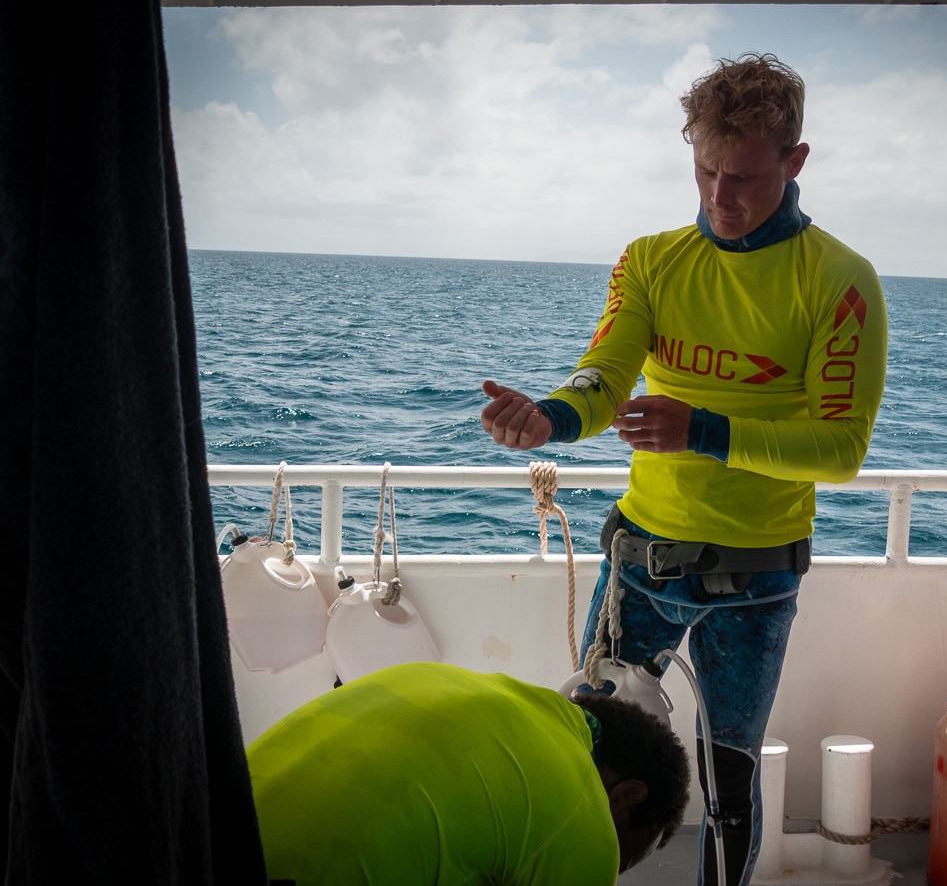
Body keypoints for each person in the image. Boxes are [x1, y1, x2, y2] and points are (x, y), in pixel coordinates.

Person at [480, 52, 888, 885]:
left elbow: (841, 448)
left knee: (727, 780)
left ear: (795, 161)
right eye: (704, 170)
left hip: (759, 575)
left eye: (741, 177)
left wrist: (702, 429)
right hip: (641, 562)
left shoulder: (841, 282)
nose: (718, 197)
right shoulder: (651, 259)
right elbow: (605, 374)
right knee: (587, 751)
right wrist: (549, 418)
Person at [246, 661, 690, 884]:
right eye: (619, 857)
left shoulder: (461, 684)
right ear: (625, 795)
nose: (609, 868)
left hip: (198, 837)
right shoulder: (583, 817)